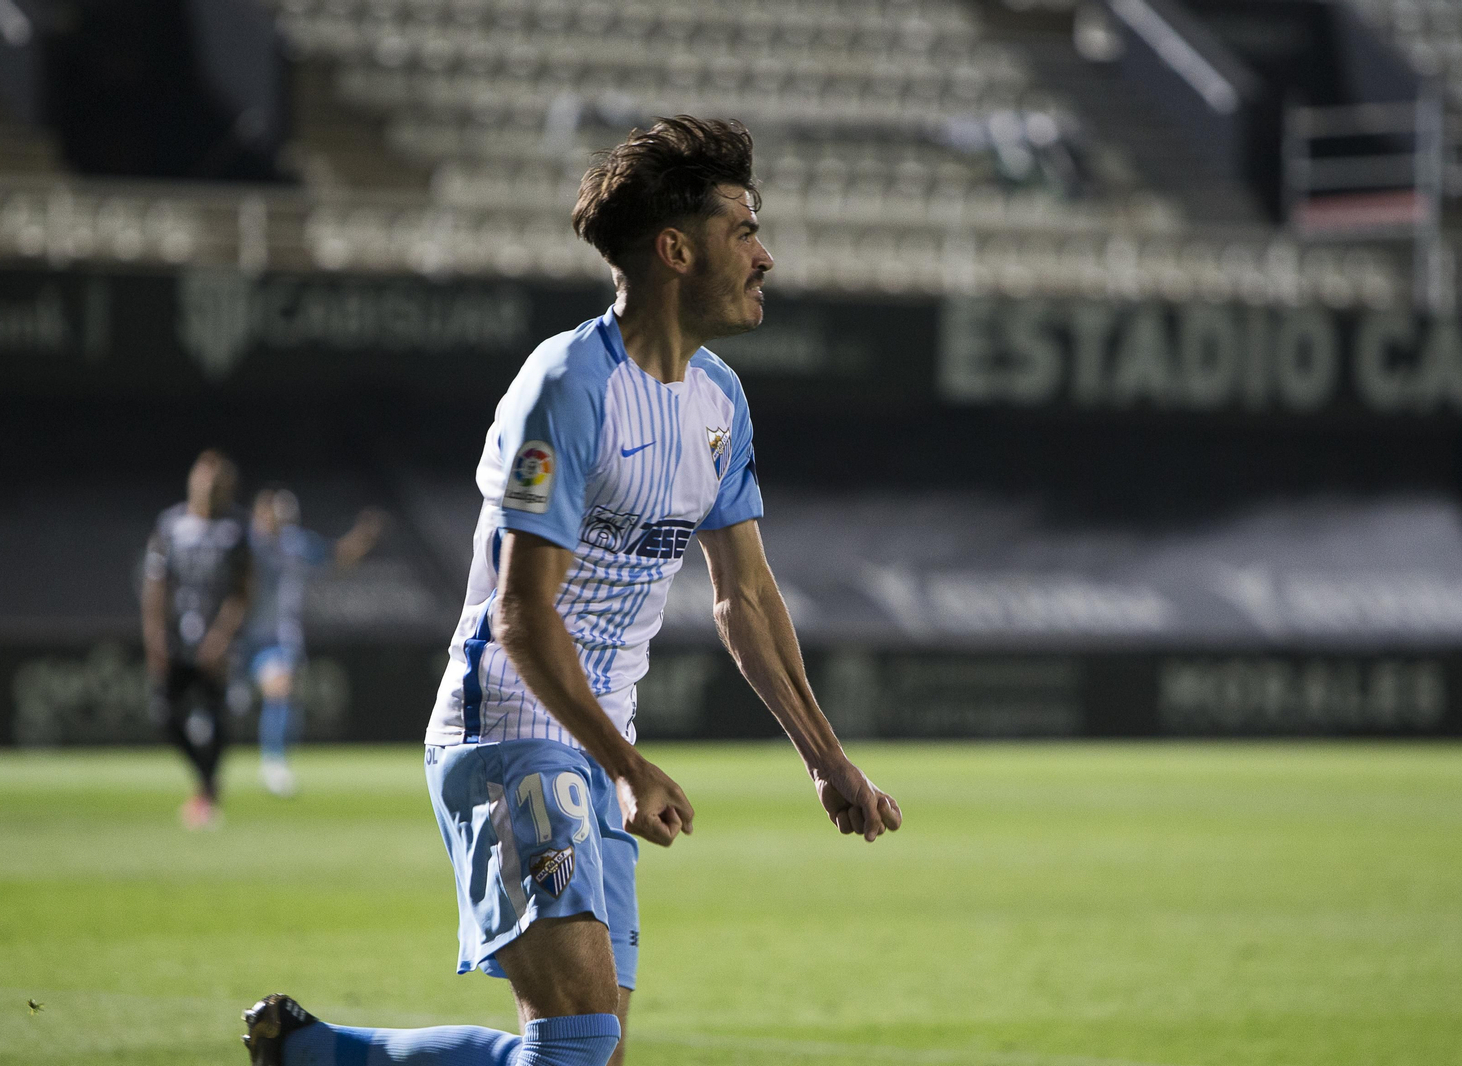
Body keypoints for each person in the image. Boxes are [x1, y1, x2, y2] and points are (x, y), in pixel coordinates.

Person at [241, 116, 902, 1066]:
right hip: (509, 727)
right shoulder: (567, 384)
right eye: (743, 230)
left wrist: (826, 759)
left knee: (588, 1055)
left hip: (600, 744)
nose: (766, 255)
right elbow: (519, 612)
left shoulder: (718, 401)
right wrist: (628, 769)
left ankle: (316, 1055)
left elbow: (745, 598)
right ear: (676, 250)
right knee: (581, 1046)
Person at [245, 488, 384, 797]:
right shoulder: (246, 543)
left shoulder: (294, 543)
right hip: (238, 636)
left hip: (277, 638)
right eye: (274, 515)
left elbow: (337, 556)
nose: (281, 522)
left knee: (282, 690)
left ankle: (274, 762)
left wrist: (364, 535)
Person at [142, 449, 251, 830]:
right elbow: (155, 586)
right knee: (165, 715)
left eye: (216, 483)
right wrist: (155, 637)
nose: (208, 489)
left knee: (218, 717)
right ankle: (205, 781)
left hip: (216, 644)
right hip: (176, 640)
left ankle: (206, 790)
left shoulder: (236, 530)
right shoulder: (170, 526)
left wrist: (221, 637)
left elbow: (242, 591)